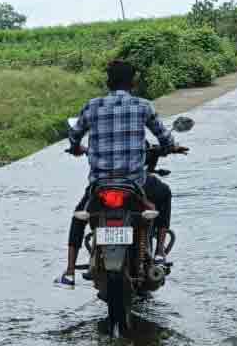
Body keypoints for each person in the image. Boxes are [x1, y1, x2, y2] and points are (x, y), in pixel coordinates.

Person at [57, 60, 187, 288]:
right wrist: (171, 147)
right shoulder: (143, 106)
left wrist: (77, 147)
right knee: (164, 194)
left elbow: (75, 135)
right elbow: (163, 137)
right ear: (133, 82)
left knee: (80, 214)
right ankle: (158, 253)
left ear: (108, 82)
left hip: (100, 184)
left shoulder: (93, 106)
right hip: (134, 182)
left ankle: (69, 272)